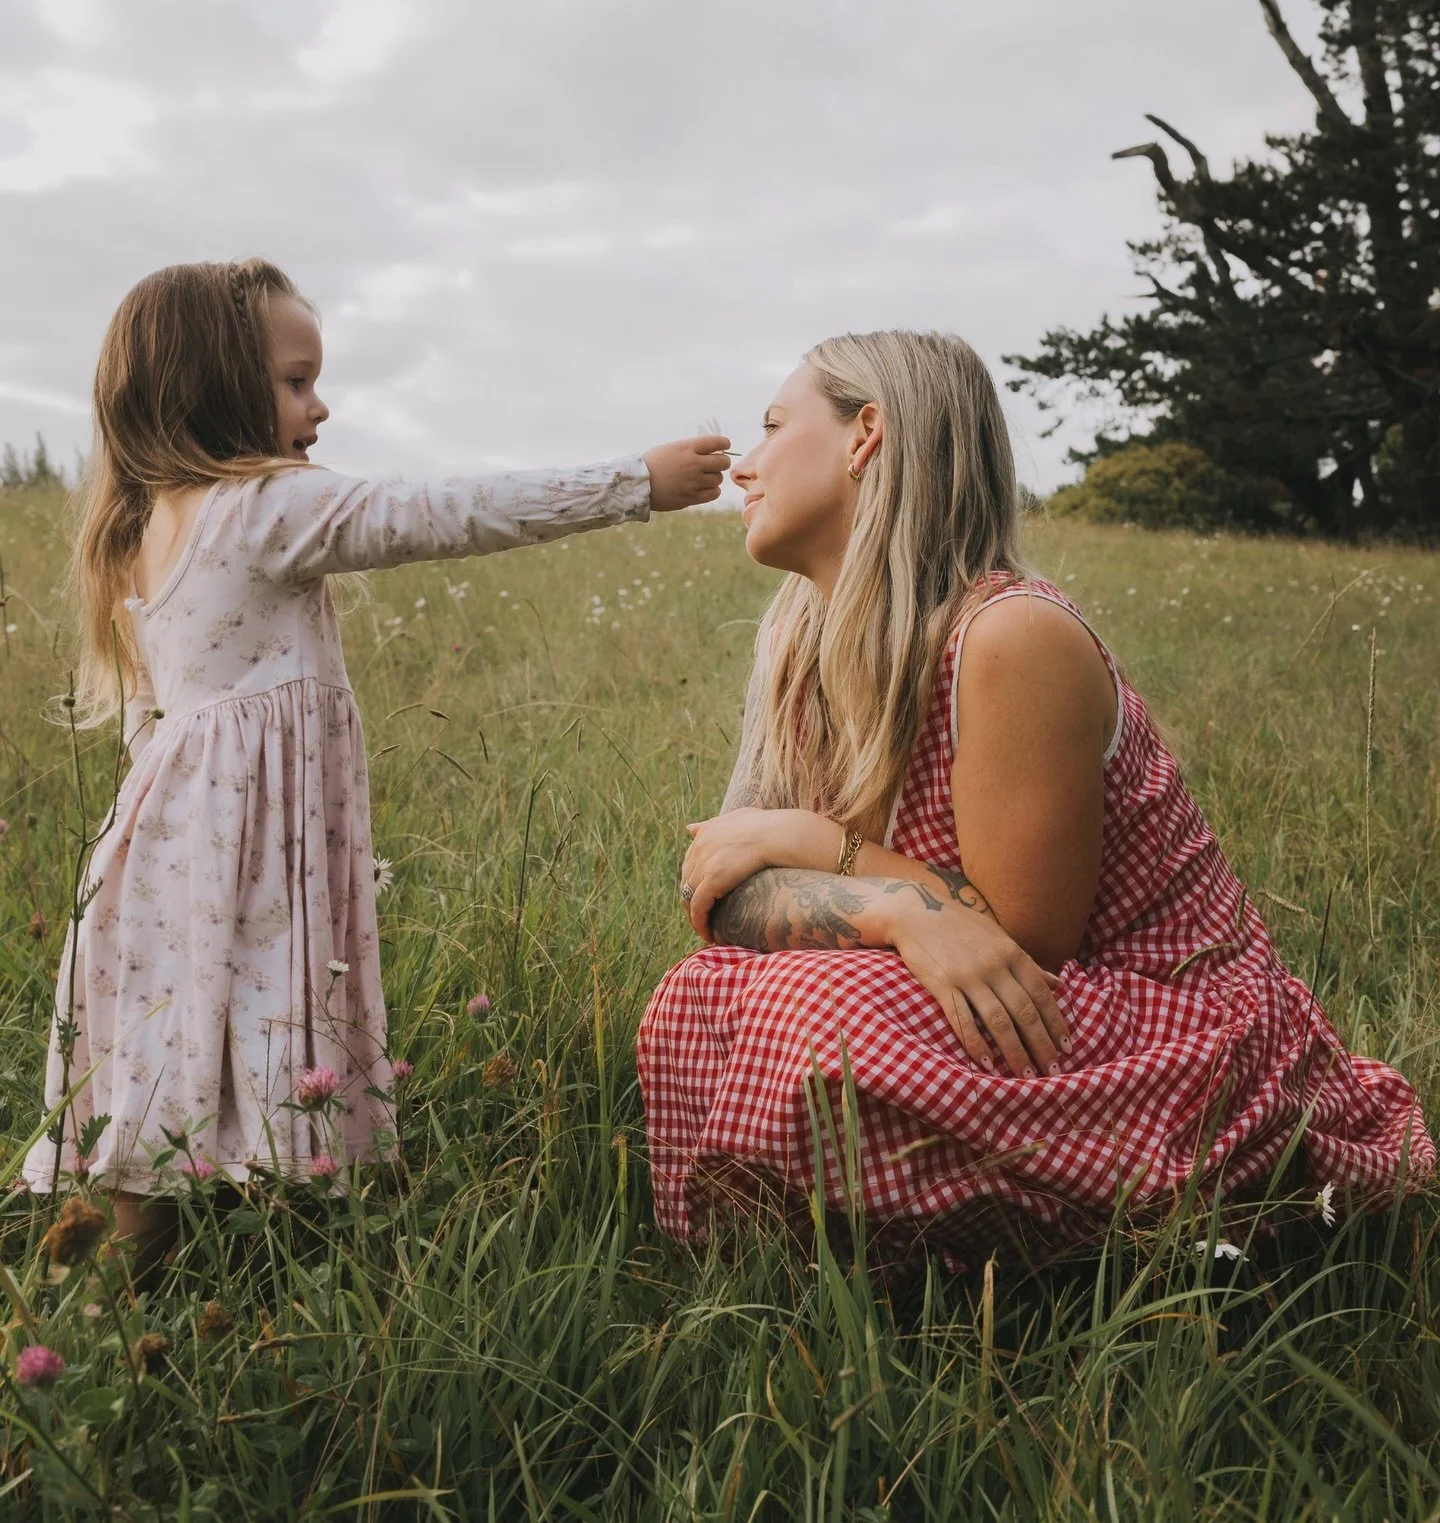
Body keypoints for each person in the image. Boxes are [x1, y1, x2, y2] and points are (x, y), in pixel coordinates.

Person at [637, 329, 1432, 1264]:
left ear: (866, 435)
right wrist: (901, 913)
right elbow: (725, 892)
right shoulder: (797, 642)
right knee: (701, 996)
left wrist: (831, 852)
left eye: (774, 428)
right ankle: (872, 1259)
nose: (747, 468)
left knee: (814, 1019)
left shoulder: (1009, 636)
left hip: (1159, 1028)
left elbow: (1021, 945)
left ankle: (1067, 1258)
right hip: (994, 1006)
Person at [24, 257, 729, 1265]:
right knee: (249, 1010)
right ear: (214, 385)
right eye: (295, 381)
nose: (320, 405)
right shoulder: (261, 507)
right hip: (235, 843)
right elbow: (441, 510)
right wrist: (635, 484)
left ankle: (145, 1275)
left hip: (165, 843)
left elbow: (156, 717)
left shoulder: (148, 522)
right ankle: (281, 1247)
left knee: (174, 1028)